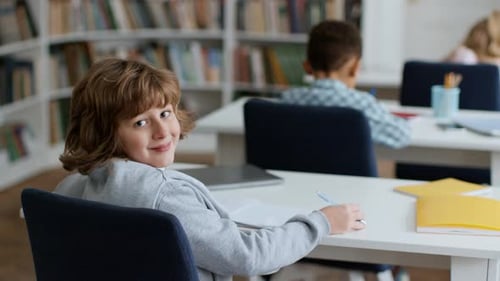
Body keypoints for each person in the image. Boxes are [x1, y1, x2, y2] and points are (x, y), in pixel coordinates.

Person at [53, 57, 366, 281]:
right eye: (140, 122)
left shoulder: (71, 189)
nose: (162, 131)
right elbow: (249, 257)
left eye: (164, 112)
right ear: (105, 132)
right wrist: (321, 222)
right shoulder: (166, 197)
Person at [280, 20, 411, 149]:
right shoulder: (362, 105)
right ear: (355, 67)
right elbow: (401, 135)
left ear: (307, 67)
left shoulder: (288, 100)